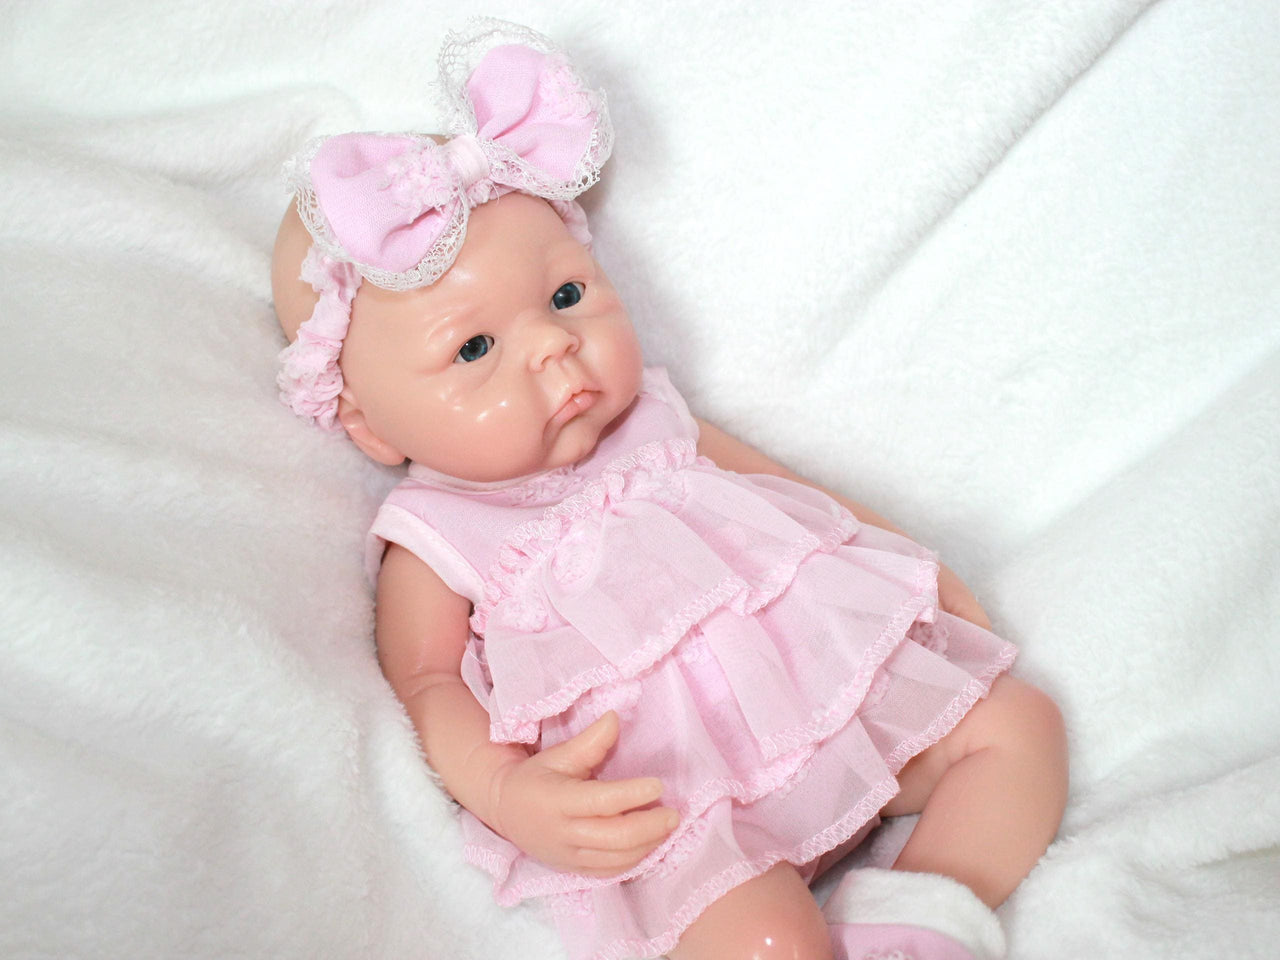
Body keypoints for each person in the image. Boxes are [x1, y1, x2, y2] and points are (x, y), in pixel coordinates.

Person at [270, 18, 1068, 960]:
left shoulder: (651, 415)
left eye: (565, 296)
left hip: (830, 697)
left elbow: (793, 490)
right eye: (475, 348)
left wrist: (911, 564)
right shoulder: (438, 533)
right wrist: (504, 791)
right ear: (366, 422)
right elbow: (427, 683)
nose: (554, 345)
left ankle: (918, 918)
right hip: (669, 797)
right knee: (764, 936)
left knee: (1019, 728)